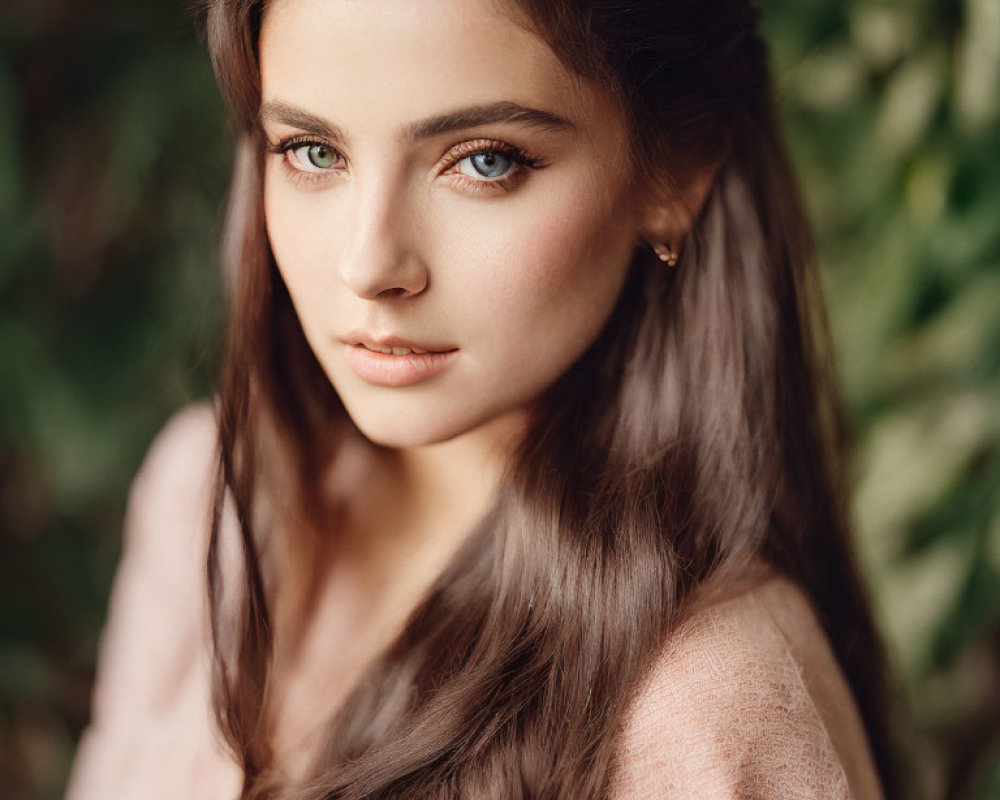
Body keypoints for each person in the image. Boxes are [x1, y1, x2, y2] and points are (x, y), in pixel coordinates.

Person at [64, 0, 910, 798]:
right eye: (313, 152)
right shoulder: (210, 496)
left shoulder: (701, 702)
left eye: (483, 161)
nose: (369, 265)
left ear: (676, 175)